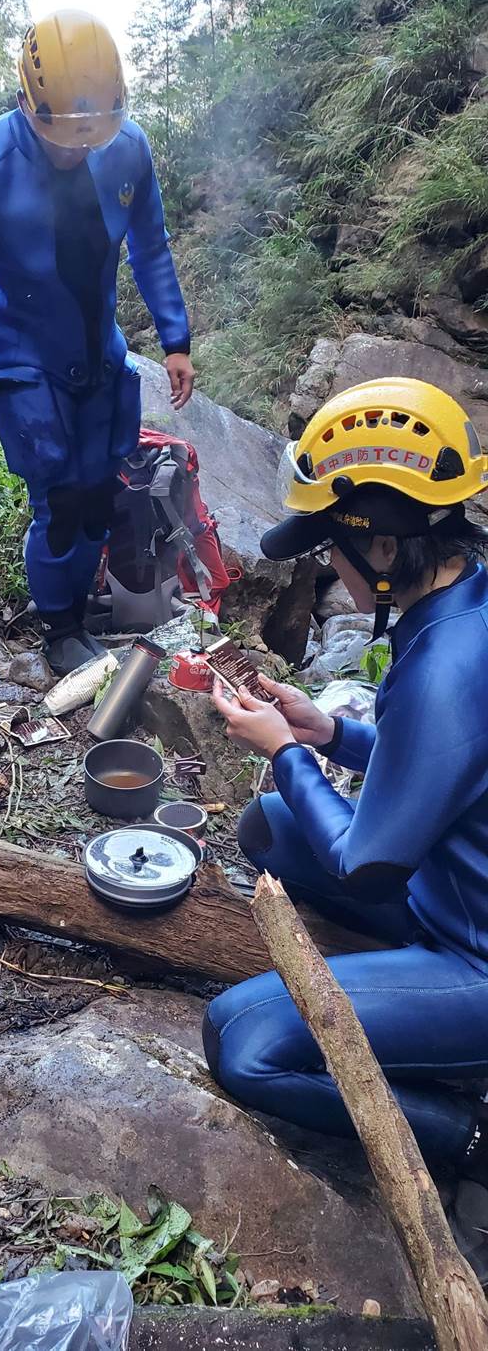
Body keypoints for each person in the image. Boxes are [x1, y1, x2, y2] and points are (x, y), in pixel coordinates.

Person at [204, 377, 488, 1281]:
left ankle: (468, 1135)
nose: (330, 570)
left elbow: (368, 866)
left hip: (474, 955)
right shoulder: (461, 606)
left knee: (240, 1038)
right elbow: (444, 762)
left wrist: (284, 746)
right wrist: (328, 733)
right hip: (453, 886)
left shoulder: (449, 661)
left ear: (382, 536)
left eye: (333, 549)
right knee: (273, 825)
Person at [0, 8, 194, 674]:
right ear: (26, 98)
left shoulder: (126, 147)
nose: (80, 147)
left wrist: (175, 338)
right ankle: (58, 628)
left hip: (101, 354)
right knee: (62, 501)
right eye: (66, 133)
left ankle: (80, 608)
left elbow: (152, 248)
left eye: (92, 132)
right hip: (29, 361)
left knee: (104, 492)